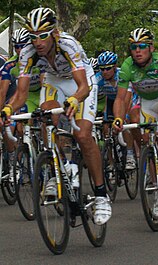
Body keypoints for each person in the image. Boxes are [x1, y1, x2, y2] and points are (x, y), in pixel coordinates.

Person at [1, 7, 111, 225]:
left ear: (53, 32)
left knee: (82, 135)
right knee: (45, 115)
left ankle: (100, 195)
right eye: (33, 37)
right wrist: (7, 109)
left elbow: (83, 87)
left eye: (42, 35)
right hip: (54, 80)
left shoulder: (68, 44)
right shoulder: (27, 53)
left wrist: (74, 100)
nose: (38, 42)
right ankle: (58, 168)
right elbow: (21, 94)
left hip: (81, 82)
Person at [113, 27, 158, 177]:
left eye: (142, 46)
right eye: (133, 47)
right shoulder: (127, 66)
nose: (137, 51)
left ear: (151, 48)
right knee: (146, 140)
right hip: (146, 100)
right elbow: (120, 99)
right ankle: (156, 180)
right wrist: (118, 118)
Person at [0, 28, 44, 180]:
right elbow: (3, 91)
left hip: (43, 91)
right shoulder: (10, 65)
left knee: (48, 118)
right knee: (20, 127)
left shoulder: (40, 59)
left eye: (23, 46)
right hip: (28, 96)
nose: (19, 50)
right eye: (16, 46)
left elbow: (46, 82)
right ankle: (22, 152)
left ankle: (46, 152)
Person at [96, 51, 136, 169]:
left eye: (108, 68)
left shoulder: (122, 75)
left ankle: (130, 155)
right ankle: (111, 162)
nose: (104, 72)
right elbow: (90, 97)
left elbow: (126, 100)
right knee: (105, 127)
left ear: (114, 67)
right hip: (111, 101)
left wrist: (124, 116)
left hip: (127, 99)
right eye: (102, 69)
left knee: (125, 123)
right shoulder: (98, 79)